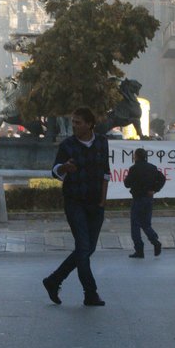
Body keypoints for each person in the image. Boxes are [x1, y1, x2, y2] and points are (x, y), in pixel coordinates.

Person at [42, 107, 109, 307]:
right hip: (75, 202)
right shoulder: (67, 145)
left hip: (96, 203)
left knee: (87, 249)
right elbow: (55, 171)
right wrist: (64, 168)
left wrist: (103, 200)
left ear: (90, 124)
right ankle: (90, 293)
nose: (74, 126)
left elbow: (106, 171)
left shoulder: (102, 143)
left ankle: (54, 280)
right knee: (83, 247)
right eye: (73, 122)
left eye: (78, 122)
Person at [123, 148, 163, 258]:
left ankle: (139, 249)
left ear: (136, 157)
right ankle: (155, 242)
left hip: (138, 199)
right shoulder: (152, 168)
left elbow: (127, 184)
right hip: (148, 198)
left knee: (135, 225)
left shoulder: (134, 169)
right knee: (146, 223)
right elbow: (162, 179)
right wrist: (154, 189)